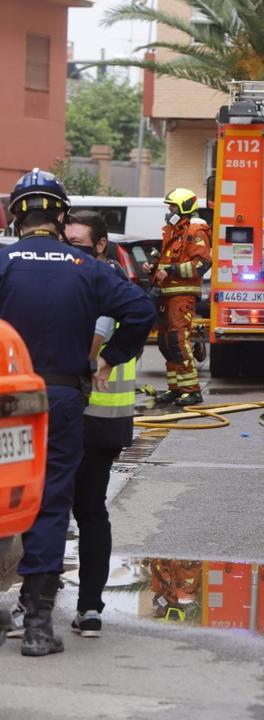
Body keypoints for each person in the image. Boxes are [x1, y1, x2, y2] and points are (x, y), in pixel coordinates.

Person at [0, 169, 155, 657]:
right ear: (60, 216)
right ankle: (40, 621)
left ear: (15, 218)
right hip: (62, 401)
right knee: (49, 500)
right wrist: (107, 358)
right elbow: (142, 311)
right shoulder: (88, 267)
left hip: (6, 401)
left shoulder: (3, 263)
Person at [65, 211, 137, 637]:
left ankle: (89, 606)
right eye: (65, 240)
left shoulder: (102, 280)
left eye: (78, 243)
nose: (70, 249)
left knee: (86, 510)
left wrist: (93, 360)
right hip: (84, 413)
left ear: (100, 245)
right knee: (66, 509)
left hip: (95, 415)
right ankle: (56, 601)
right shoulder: (105, 277)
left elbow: (100, 330)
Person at [144, 188, 211, 406]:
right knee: (165, 343)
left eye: (172, 207)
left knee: (178, 342)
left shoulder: (195, 230)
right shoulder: (173, 232)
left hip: (181, 297)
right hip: (166, 296)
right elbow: (166, 264)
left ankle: (192, 390)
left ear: (183, 208)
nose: (169, 210)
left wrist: (171, 271)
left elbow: (202, 264)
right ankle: (175, 389)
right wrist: (152, 268)